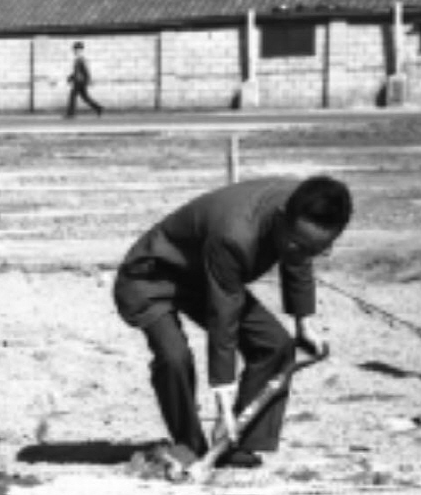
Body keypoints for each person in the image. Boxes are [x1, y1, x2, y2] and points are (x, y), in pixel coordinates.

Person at [112, 175, 353, 466]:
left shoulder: (303, 209)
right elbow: (223, 316)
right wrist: (222, 393)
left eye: (318, 249)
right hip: (151, 277)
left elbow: (297, 258)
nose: (304, 253)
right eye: (299, 244)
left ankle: (238, 440)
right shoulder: (236, 234)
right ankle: (189, 444)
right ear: (281, 219)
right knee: (174, 356)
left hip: (205, 276)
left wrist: (304, 323)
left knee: (275, 345)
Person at [65, 42, 104, 119]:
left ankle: (70, 114)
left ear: (80, 50)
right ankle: (98, 108)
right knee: (85, 98)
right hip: (79, 81)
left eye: (77, 50)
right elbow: (77, 72)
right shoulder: (77, 59)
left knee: (72, 96)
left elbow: (85, 71)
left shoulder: (81, 59)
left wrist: (88, 80)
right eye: (75, 50)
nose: (75, 51)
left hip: (80, 82)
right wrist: (71, 77)